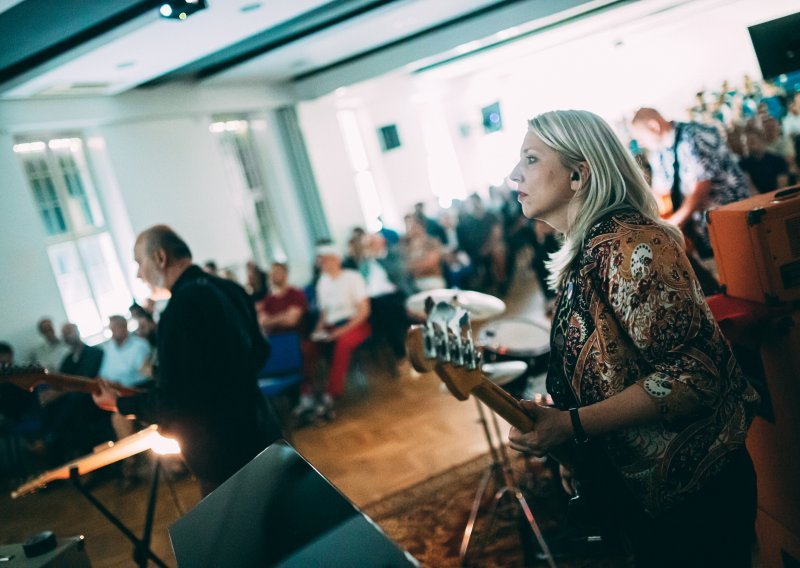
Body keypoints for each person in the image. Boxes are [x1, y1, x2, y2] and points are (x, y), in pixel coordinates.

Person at [506, 110, 759, 567]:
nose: (513, 175)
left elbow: (694, 375)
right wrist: (574, 453)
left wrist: (572, 425)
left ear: (578, 174)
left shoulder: (631, 246)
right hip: (651, 497)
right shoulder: (589, 249)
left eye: (529, 159)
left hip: (695, 497)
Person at [93, 225, 283, 496]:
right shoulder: (229, 288)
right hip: (260, 426)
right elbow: (261, 352)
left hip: (220, 451)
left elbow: (176, 401)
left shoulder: (179, 309)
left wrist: (119, 403)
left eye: (139, 262)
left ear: (160, 258)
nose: (138, 273)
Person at [631, 107, 750, 258]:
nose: (641, 144)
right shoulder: (659, 153)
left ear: (654, 126)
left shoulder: (694, 135)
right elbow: (659, 194)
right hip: (703, 233)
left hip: (731, 222)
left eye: (641, 138)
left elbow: (700, 189)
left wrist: (671, 225)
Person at [294, 245, 371, 421]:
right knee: (308, 347)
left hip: (354, 323)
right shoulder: (323, 282)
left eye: (326, 259)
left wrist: (341, 331)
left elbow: (363, 311)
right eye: (321, 260)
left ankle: (331, 394)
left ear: (336, 259)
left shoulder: (353, 277)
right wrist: (317, 331)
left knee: (342, 344)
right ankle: (307, 394)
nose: (323, 264)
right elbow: (323, 314)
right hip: (331, 326)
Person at [256, 262, 308, 336]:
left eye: (277, 272)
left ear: (285, 274)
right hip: (273, 339)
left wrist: (271, 320)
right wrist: (283, 316)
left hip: (295, 338)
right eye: (272, 273)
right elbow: (262, 322)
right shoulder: (268, 300)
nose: (274, 275)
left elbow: (292, 320)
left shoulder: (296, 294)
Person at [739, 127, 790, 194]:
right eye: (745, 143)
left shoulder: (778, 160)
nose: (748, 146)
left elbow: (782, 186)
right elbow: (750, 187)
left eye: (752, 141)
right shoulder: (742, 164)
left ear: (761, 140)